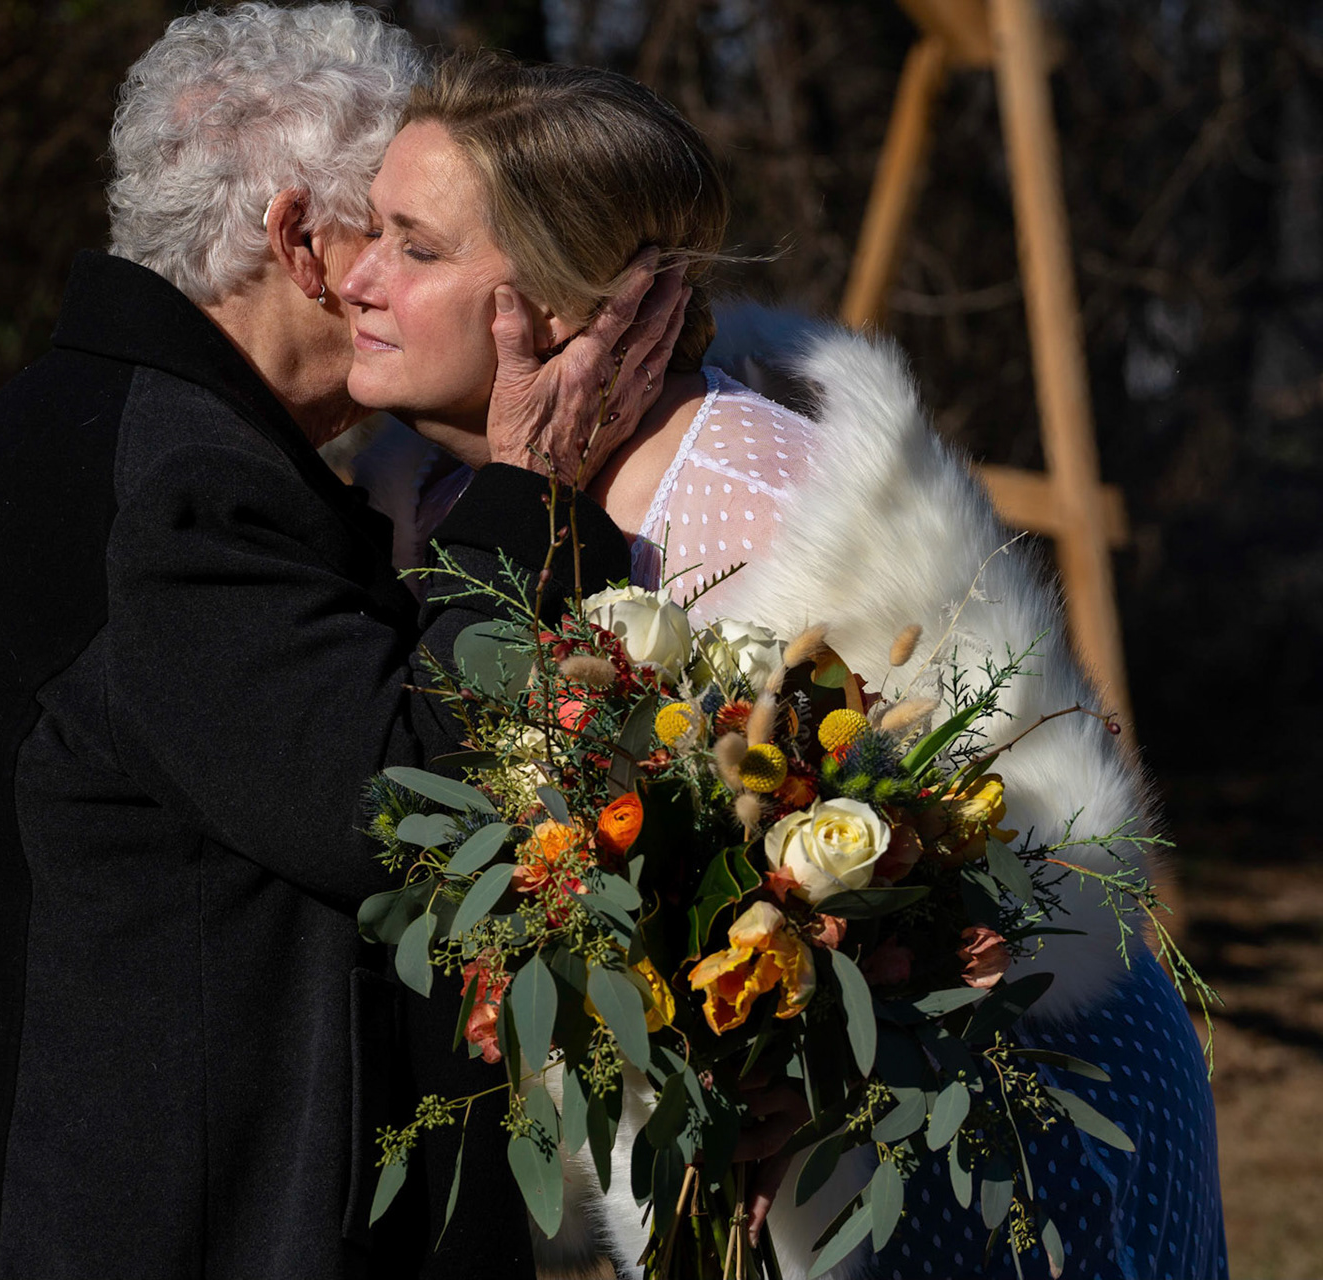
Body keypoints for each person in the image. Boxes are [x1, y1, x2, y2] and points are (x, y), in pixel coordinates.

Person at [339, 50, 1226, 1280]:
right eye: (364, 230)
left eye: (413, 246)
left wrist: (821, 1060)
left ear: (552, 306)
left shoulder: (758, 507)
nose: (357, 277)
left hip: (1008, 1137)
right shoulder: (447, 501)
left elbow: (1003, 879)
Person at [0, 9, 690, 1280]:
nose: (387, 283)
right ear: (298, 241)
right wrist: (532, 492)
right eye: (387, 236)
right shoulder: (176, 490)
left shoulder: (113, 424)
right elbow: (416, 805)